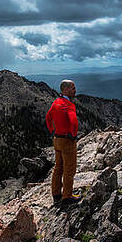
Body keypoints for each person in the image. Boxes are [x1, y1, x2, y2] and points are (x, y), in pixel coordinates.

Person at [45, 79, 82, 207]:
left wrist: (52, 130)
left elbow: (48, 117)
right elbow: (74, 122)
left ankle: (56, 194)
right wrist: (73, 134)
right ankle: (67, 196)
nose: (75, 90)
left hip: (57, 139)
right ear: (65, 90)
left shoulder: (56, 103)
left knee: (58, 168)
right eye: (73, 88)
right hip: (67, 141)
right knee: (69, 170)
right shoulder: (68, 104)